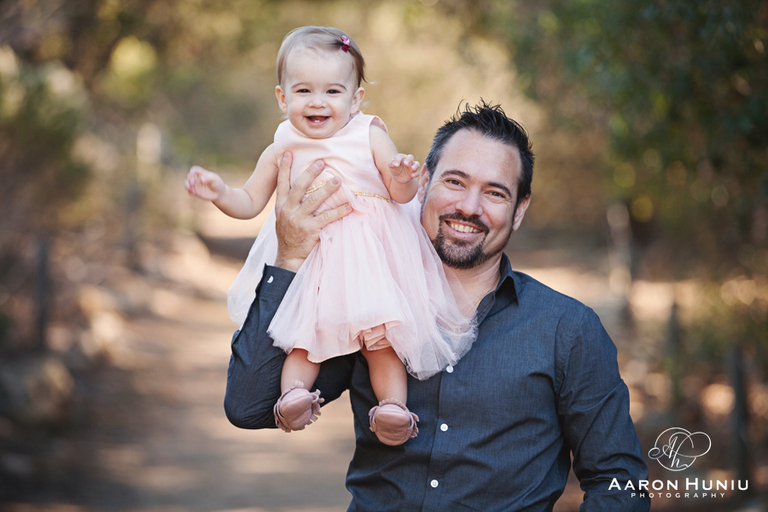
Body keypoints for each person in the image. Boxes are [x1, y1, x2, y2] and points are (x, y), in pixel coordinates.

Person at [224, 100, 651, 511]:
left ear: (519, 211)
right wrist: (291, 258)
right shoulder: (367, 300)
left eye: (495, 193)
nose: (469, 206)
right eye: (455, 182)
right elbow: (249, 407)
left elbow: (618, 480)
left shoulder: (567, 329)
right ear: (422, 182)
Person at [185, 26, 475, 446]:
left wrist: (402, 177)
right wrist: (219, 194)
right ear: (282, 98)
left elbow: (399, 195)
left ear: (355, 98)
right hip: (315, 264)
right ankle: (294, 397)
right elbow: (249, 201)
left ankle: (392, 408)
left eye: (333, 92)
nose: (317, 102)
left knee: (381, 342)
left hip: (371, 262)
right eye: (303, 91)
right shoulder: (283, 143)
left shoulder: (368, 133)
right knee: (304, 338)